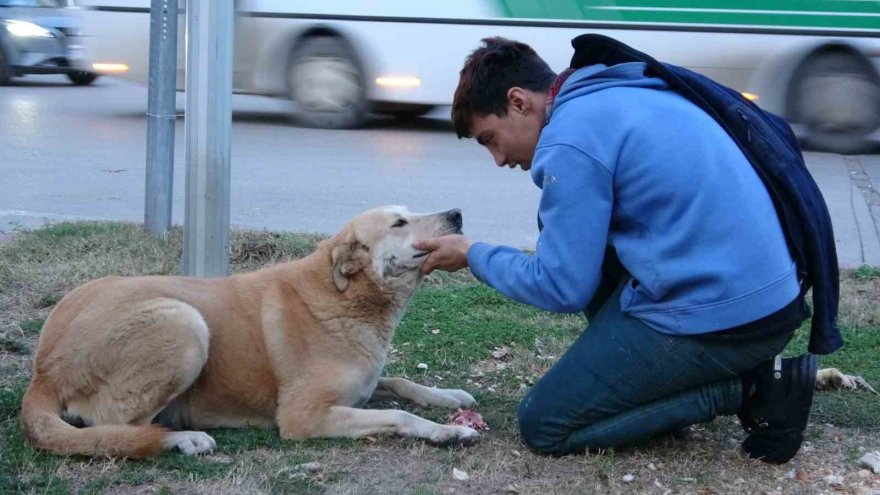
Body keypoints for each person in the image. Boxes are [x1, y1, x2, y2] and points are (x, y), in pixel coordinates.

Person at [414, 36, 819, 464]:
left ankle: (755, 389)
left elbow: (561, 287)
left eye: (490, 139)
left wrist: (473, 254)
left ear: (518, 102)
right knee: (564, 232)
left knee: (545, 423)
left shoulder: (570, 140)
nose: (498, 159)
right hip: (769, 296)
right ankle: (659, 392)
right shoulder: (617, 88)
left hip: (731, 320)